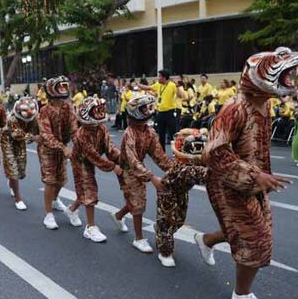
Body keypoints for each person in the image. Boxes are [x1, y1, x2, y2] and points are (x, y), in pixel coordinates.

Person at [195, 47, 297, 299]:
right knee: (256, 238)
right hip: (226, 183)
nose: (290, 79)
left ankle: (205, 240)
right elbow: (213, 153)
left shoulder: (266, 104)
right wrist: (255, 176)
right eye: (283, 74)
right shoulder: (234, 108)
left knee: (245, 229)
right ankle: (241, 293)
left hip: (254, 183)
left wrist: (260, 178)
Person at [112, 95, 172, 253]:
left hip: (139, 167)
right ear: (136, 112)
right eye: (144, 108)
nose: (148, 111)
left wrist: (176, 169)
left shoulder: (149, 131)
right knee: (138, 201)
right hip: (127, 170)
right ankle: (138, 238)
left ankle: (118, 215)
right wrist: (153, 178)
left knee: (135, 199)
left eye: (148, 107)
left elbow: (159, 156)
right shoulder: (129, 133)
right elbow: (132, 162)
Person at [63, 97, 121, 242]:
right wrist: (113, 167)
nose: (101, 112)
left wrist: (123, 159)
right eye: (97, 110)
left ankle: (71, 210)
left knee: (84, 192)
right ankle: (90, 227)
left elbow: (110, 148)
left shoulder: (101, 128)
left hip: (90, 160)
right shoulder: (81, 134)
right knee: (89, 190)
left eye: (102, 110)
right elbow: (93, 156)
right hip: (81, 162)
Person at [155, 128, 207, 267]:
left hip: (181, 192)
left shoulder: (192, 164)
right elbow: (206, 176)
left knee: (179, 221)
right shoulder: (186, 169)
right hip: (168, 193)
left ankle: (161, 231)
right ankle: (165, 252)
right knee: (168, 222)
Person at [37, 75, 77, 230]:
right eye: (60, 86)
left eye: (64, 86)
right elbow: (46, 135)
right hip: (48, 150)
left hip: (63, 149)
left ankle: (54, 199)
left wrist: (79, 145)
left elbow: (74, 128)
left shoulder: (68, 108)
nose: (63, 89)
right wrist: (64, 148)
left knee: (62, 179)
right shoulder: (44, 111)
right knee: (50, 180)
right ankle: (48, 214)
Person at [0, 96, 40, 210]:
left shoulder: (35, 118)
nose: (28, 112)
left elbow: (40, 130)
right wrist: (33, 137)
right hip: (8, 140)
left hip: (21, 142)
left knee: (21, 168)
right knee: (13, 168)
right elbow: (17, 135)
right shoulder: (12, 119)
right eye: (25, 110)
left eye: (31, 109)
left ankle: (11, 179)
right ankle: (18, 198)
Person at [145, 70, 185, 150]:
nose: (158, 78)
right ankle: (162, 152)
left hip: (172, 111)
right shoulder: (159, 85)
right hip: (161, 112)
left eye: (159, 76)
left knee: (173, 132)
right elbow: (152, 90)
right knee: (161, 133)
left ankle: (177, 151)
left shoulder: (174, 85)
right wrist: (139, 86)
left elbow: (181, 96)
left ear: (164, 77)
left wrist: (177, 86)